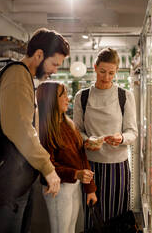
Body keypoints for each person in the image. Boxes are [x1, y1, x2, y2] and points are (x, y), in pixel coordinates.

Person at [0, 28, 70, 233]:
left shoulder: (23, 76)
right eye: (54, 64)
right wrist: (48, 167)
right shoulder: (17, 76)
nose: (55, 70)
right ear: (39, 54)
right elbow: (19, 128)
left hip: (15, 180)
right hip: (8, 183)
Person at [73, 48, 138, 230]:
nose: (107, 77)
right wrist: (87, 140)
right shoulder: (82, 96)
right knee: (91, 216)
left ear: (116, 71)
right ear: (95, 68)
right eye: (102, 72)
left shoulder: (124, 96)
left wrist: (121, 137)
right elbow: (77, 130)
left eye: (111, 73)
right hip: (90, 166)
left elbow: (132, 132)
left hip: (118, 166)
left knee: (116, 219)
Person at [37, 81, 97, 233]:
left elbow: (81, 156)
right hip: (58, 189)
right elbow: (48, 166)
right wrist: (76, 174)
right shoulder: (44, 131)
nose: (67, 98)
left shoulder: (68, 124)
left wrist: (90, 189)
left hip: (73, 187)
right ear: (50, 100)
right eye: (62, 94)